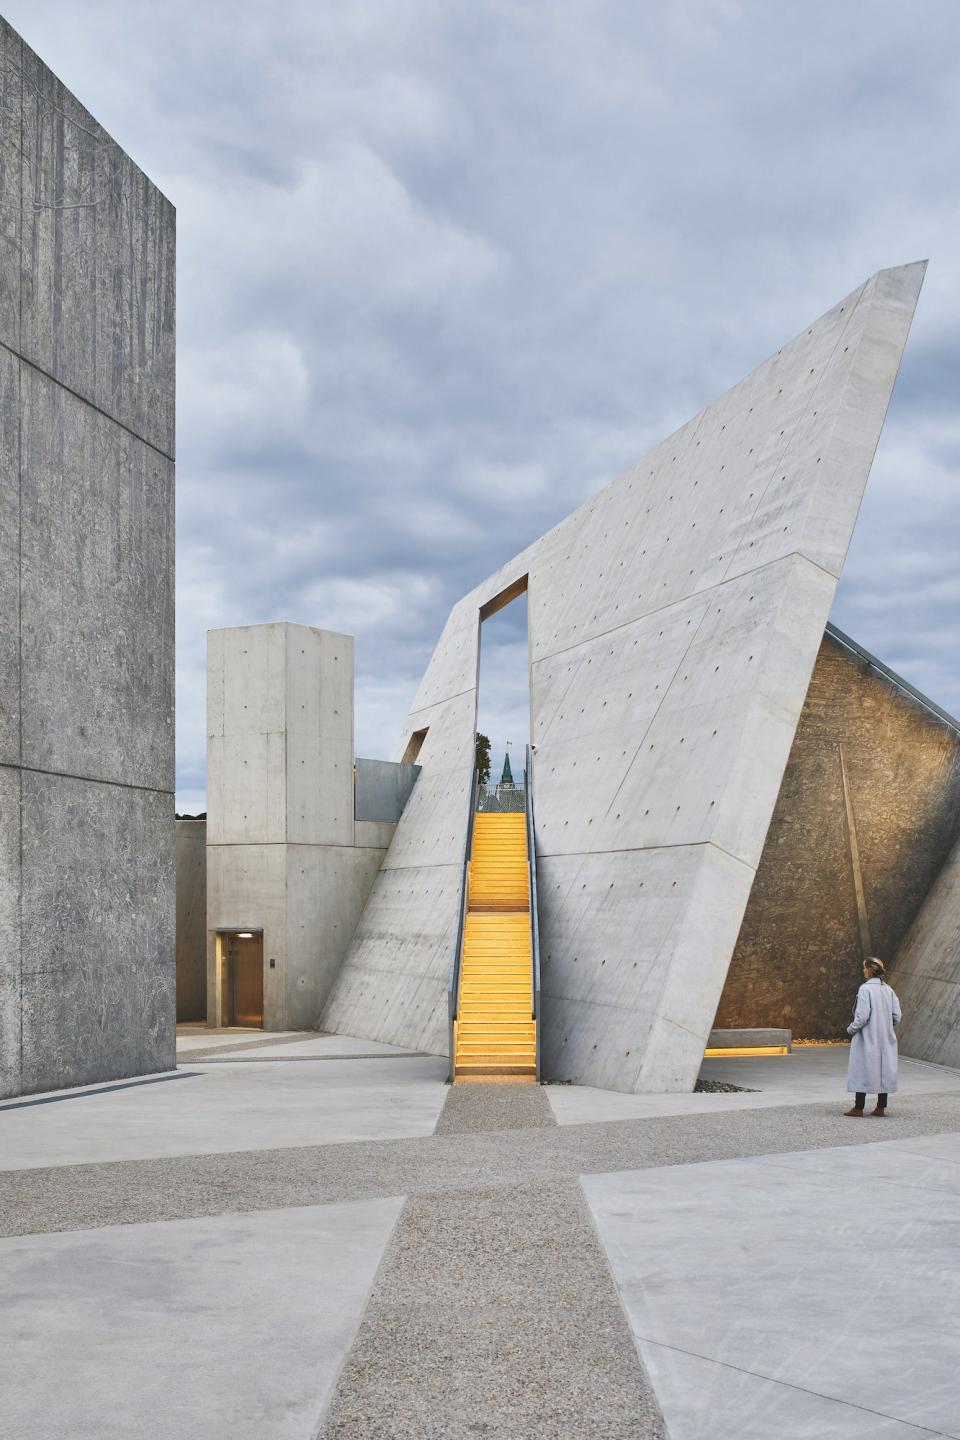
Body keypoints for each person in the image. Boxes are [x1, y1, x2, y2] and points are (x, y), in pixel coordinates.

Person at [844, 957, 902, 1117]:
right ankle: (880, 1107)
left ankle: (858, 1107)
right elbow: (897, 1015)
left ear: (870, 969)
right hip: (886, 1036)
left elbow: (862, 1016)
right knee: (884, 1070)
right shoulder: (888, 990)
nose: (863, 971)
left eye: (864, 968)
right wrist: (886, 1025)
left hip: (867, 1036)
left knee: (862, 1069)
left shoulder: (865, 989)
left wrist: (851, 1029)